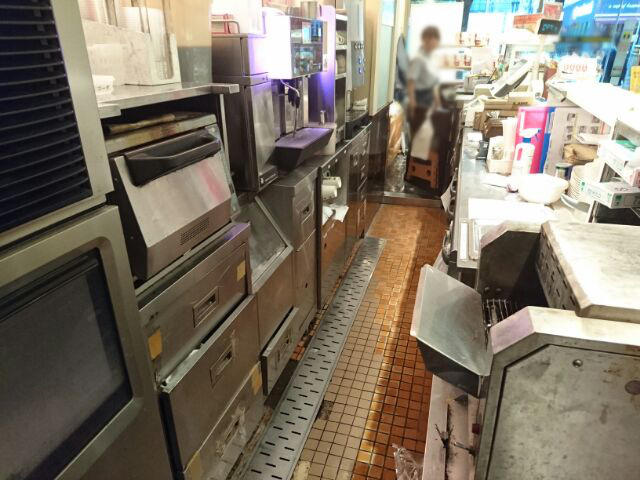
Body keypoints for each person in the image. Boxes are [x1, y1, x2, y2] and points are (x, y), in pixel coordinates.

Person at [407, 26, 441, 138]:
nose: (436, 42)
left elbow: (434, 82)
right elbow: (411, 82)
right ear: (426, 39)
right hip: (420, 99)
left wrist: (437, 101)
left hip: (428, 98)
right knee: (418, 134)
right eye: (434, 39)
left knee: (425, 134)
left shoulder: (431, 57)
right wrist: (413, 105)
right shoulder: (418, 58)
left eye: (437, 39)